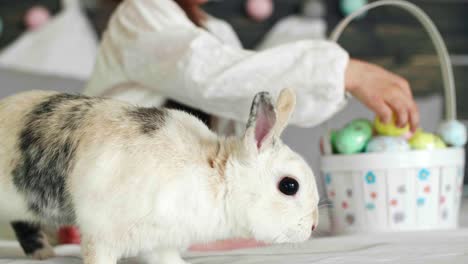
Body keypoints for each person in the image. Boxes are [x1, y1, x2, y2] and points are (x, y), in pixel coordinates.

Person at [83, 0, 419, 250]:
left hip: (183, 213)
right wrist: (346, 73)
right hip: (116, 190)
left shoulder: (217, 32)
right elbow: (208, 73)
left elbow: (238, 127)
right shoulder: (139, 13)